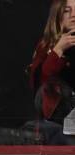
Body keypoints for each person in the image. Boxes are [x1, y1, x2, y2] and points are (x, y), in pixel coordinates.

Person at [29, 0, 75, 128]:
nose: (73, 15)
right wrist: (58, 49)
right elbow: (41, 86)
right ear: (58, 16)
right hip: (59, 118)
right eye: (67, 11)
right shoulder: (46, 45)